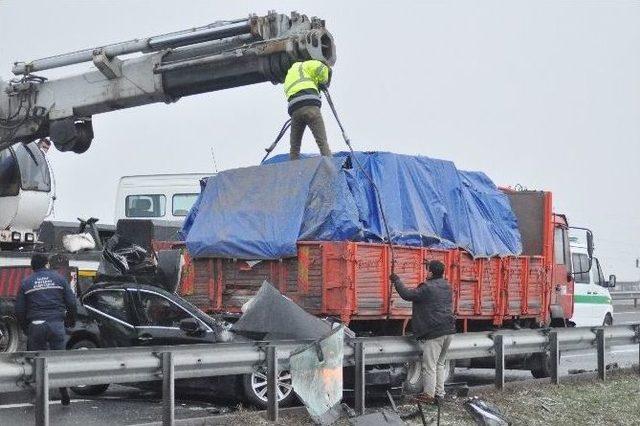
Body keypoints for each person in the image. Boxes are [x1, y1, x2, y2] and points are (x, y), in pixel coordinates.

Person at [15, 253, 77, 406]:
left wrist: (26, 328)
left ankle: (38, 397)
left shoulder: (26, 282)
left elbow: (19, 310)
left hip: (36, 325)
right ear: (47, 264)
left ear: (33, 267)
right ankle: (63, 390)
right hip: (56, 324)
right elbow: (72, 302)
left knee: (36, 362)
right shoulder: (59, 279)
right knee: (59, 361)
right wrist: (70, 321)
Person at [390, 260, 456, 404]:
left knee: (429, 366)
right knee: (440, 363)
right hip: (449, 330)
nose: (427, 272)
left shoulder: (427, 287)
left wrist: (397, 281)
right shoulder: (447, 285)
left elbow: (407, 295)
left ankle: (428, 395)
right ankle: (440, 394)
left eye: (428, 270)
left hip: (435, 332)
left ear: (431, 272)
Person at [283, 59, 332, 160]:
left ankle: (294, 170)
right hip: (310, 106)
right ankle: (331, 169)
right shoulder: (309, 64)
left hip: (295, 110)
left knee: (294, 147)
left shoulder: (289, 74)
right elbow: (322, 69)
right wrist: (324, 80)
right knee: (322, 142)